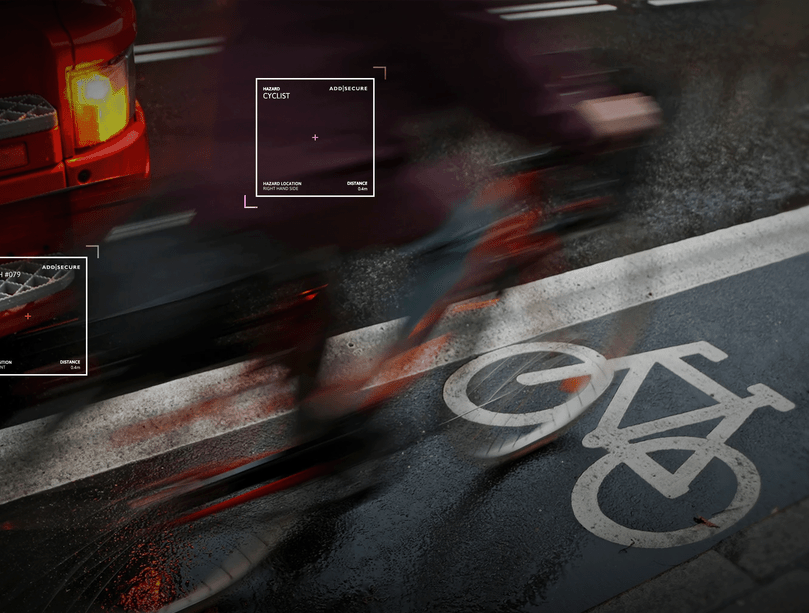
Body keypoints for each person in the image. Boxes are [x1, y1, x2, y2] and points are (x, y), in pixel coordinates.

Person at [178, 0, 662, 436]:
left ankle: (311, 412)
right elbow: (491, 65)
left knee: (312, 267)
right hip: (316, 171)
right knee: (462, 233)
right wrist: (585, 125)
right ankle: (358, 398)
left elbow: (465, 46)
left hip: (234, 154)